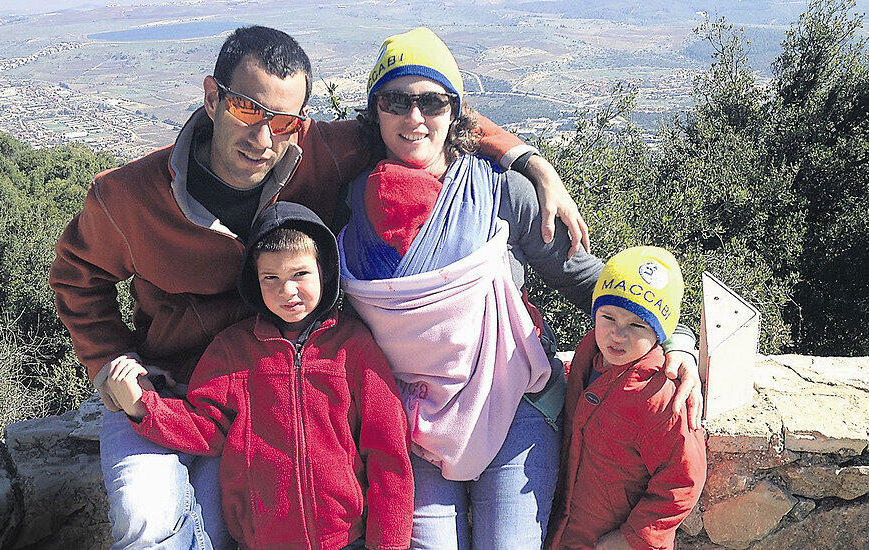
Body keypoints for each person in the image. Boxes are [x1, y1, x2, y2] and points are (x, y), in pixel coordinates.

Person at [49, 25, 584, 549]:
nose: (263, 138)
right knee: (149, 520)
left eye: (282, 120)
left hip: (270, 390)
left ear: (300, 121)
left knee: (219, 527)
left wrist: (527, 159)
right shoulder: (126, 196)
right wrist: (109, 363)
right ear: (212, 97)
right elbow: (77, 275)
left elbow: (421, 119)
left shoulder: (320, 152)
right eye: (247, 109)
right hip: (171, 384)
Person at [338, 27, 701, 549]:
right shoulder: (351, 199)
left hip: (515, 404)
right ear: (375, 110)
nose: (415, 118)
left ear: (454, 110)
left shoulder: (501, 191)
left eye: (432, 101)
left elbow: (589, 281)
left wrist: (677, 336)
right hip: (412, 420)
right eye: (396, 100)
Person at [104, 202, 414, 550]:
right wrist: (142, 406)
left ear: (324, 271)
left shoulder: (353, 347)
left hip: (346, 539)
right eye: (271, 278)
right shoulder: (234, 350)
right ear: (255, 281)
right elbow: (207, 426)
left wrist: (388, 544)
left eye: (300, 274)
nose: (287, 291)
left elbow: (388, 450)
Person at [547, 247, 706, 549]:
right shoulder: (588, 353)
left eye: (637, 324)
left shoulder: (659, 395)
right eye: (608, 317)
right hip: (570, 531)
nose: (618, 335)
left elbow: (683, 480)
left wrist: (632, 538)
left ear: (661, 332)